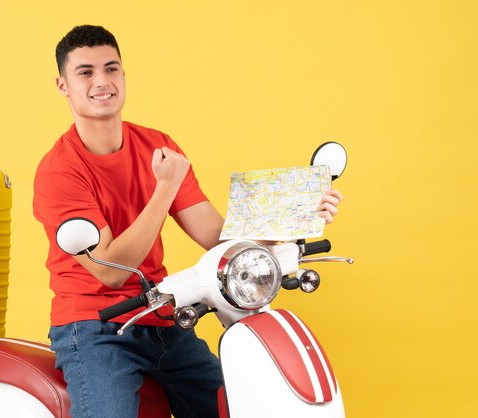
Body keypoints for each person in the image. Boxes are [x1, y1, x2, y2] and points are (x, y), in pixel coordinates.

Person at [33, 25, 343, 418]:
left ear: (124, 76)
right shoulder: (59, 170)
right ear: (63, 85)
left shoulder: (157, 146)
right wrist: (164, 189)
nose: (102, 81)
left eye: (111, 69)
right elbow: (109, 271)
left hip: (162, 316)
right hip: (96, 329)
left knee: (236, 406)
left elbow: (216, 236)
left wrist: (297, 218)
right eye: (86, 72)